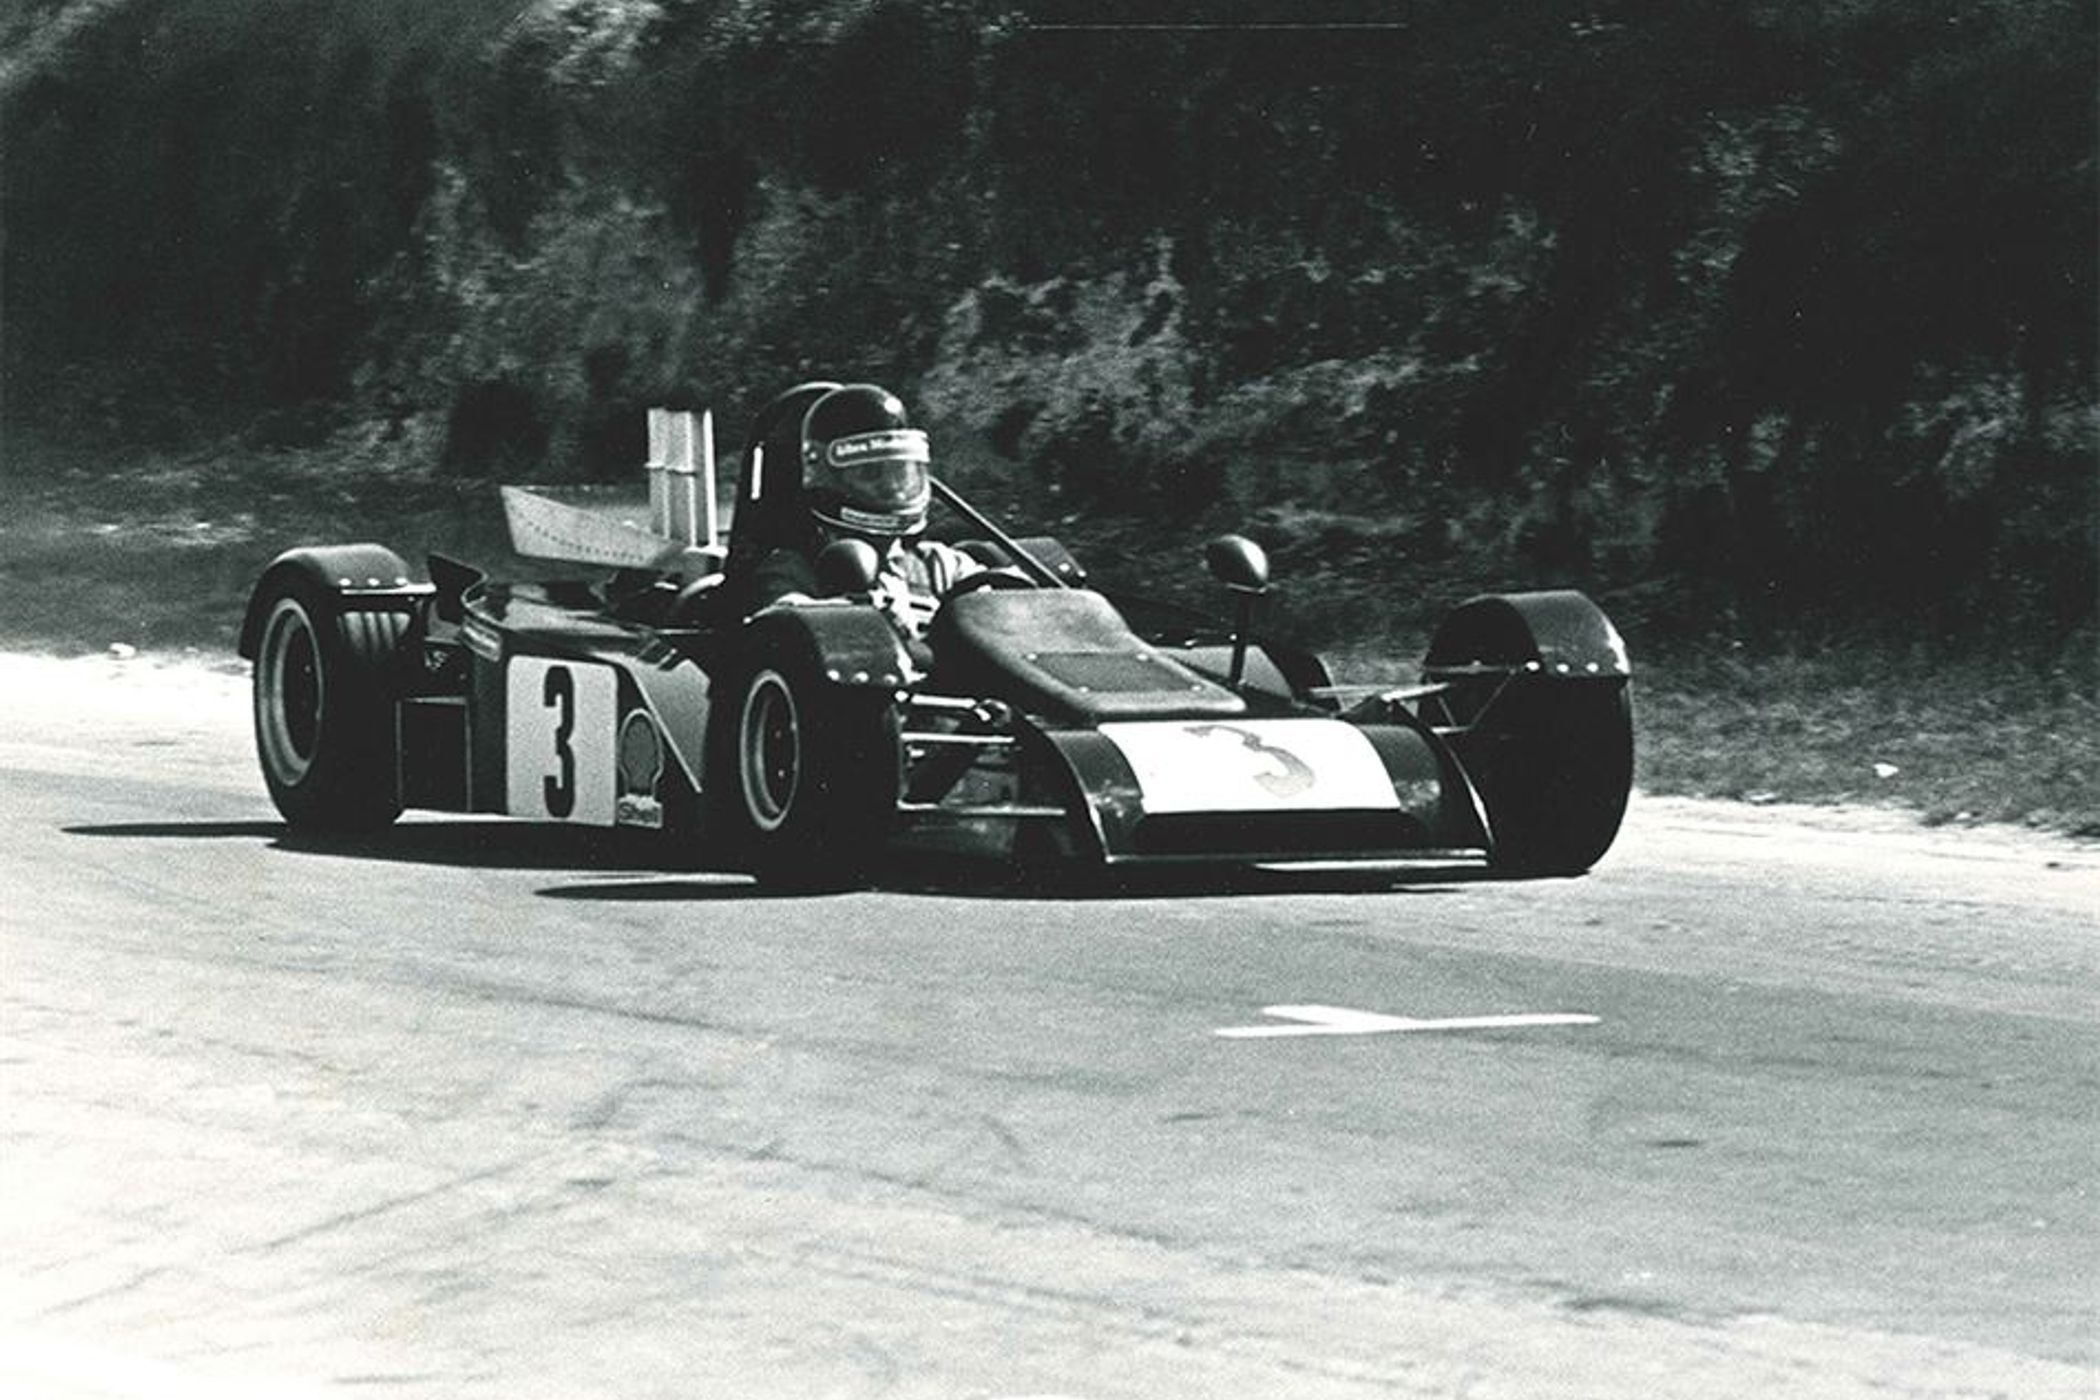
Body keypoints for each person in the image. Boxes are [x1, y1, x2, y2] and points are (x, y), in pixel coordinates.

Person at [749, 383, 980, 636]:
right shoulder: (794, 569)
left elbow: (999, 610)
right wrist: (859, 618)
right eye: (871, 473)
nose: (893, 488)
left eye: (901, 472)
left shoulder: (941, 565)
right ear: (827, 480)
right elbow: (782, 619)